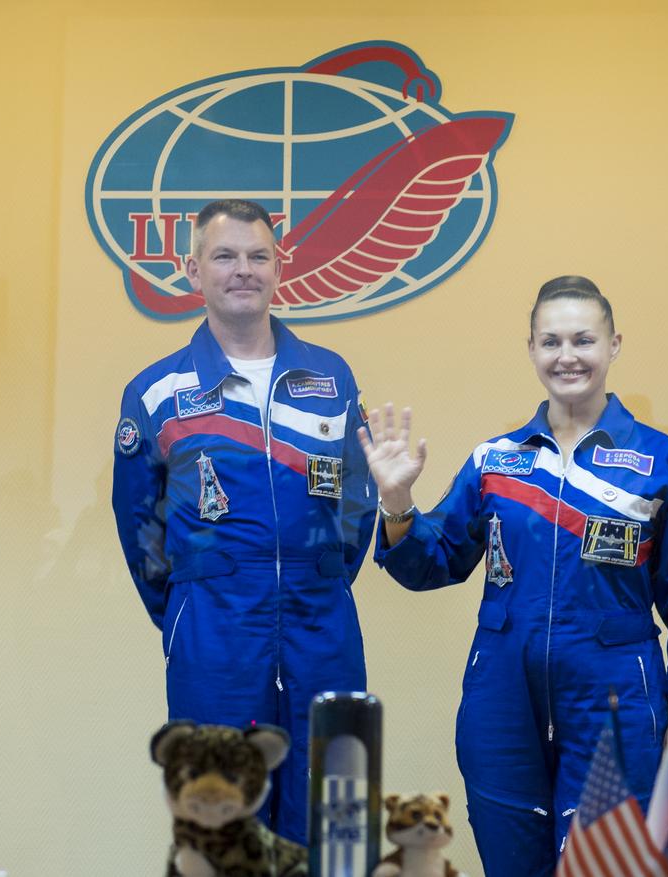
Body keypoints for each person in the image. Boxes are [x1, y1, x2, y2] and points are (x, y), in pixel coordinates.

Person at [358, 275, 668, 876]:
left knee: (600, 863)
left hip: (616, 691)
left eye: (583, 339)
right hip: (500, 690)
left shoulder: (661, 461)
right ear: (530, 349)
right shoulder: (496, 461)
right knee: (511, 860)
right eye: (550, 342)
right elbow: (435, 561)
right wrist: (398, 503)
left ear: (614, 345)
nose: (567, 356)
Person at [112, 199, 378, 845]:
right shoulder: (157, 391)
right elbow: (139, 526)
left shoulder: (330, 378)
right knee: (222, 822)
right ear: (192, 267)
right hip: (213, 633)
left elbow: (358, 502)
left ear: (278, 266)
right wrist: (188, 607)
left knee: (333, 821)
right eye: (225, 255)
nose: (243, 270)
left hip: (323, 627)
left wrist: (317, 582)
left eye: (258, 256)